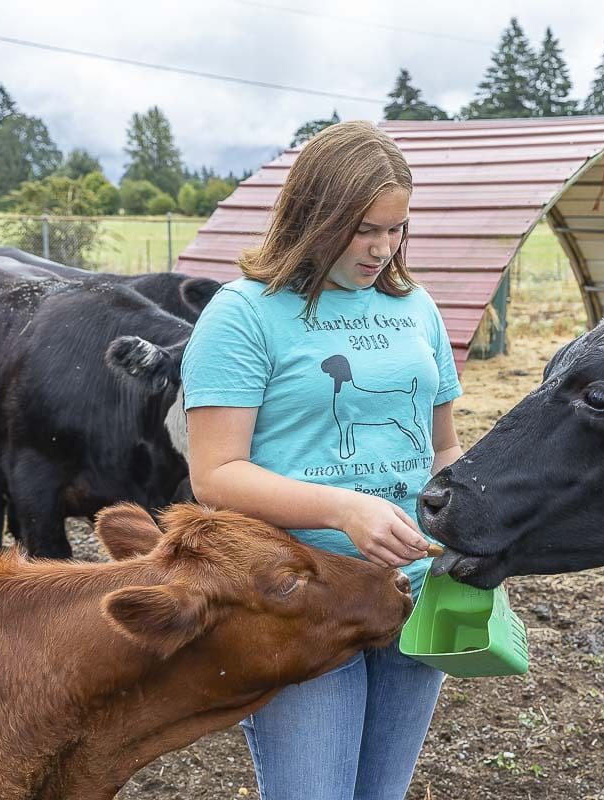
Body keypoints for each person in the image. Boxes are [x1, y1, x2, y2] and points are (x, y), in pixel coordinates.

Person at [181, 120, 462, 800]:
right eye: (365, 227)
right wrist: (344, 508)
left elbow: (443, 447)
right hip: (298, 598)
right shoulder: (245, 314)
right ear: (315, 212)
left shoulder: (414, 307)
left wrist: (475, 538)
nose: (382, 248)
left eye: (396, 229)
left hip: (412, 594)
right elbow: (215, 474)